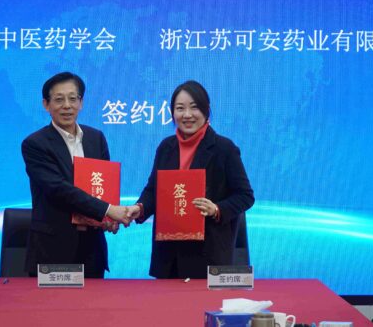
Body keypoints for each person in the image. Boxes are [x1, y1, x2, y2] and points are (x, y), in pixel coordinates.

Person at [127, 80, 255, 279]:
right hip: (168, 255)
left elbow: (245, 196)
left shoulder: (224, 148)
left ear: (206, 110)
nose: (187, 115)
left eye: (194, 107)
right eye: (180, 108)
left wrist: (217, 209)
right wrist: (140, 208)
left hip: (208, 255)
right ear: (172, 113)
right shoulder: (166, 147)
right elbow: (153, 190)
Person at [21, 72, 130, 278]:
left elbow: (103, 186)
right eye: (59, 99)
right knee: (53, 301)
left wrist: (107, 219)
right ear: (46, 104)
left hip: (92, 249)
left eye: (73, 98)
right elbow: (59, 189)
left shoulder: (96, 138)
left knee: (94, 300)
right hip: (54, 249)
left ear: (81, 102)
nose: (67, 106)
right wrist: (108, 210)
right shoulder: (35, 144)